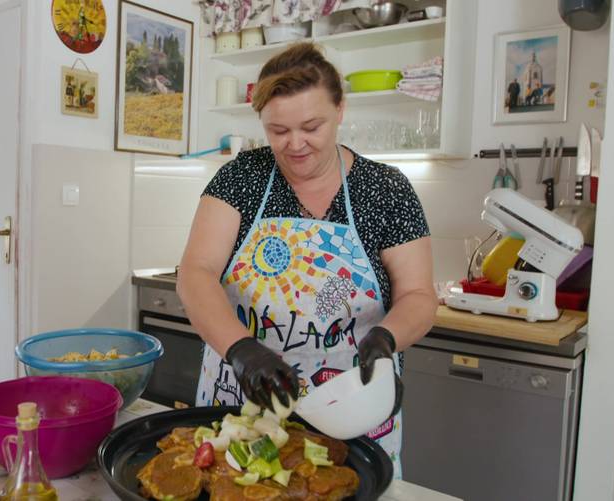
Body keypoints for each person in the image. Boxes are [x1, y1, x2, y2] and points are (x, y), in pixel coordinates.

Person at [176, 42, 438, 476]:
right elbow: (195, 273)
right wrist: (242, 351)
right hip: (243, 407)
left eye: (311, 126)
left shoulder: (387, 189)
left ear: (340, 110)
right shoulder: (242, 177)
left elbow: (418, 294)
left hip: (350, 410)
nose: (295, 144)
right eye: (277, 130)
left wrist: (387, 338)